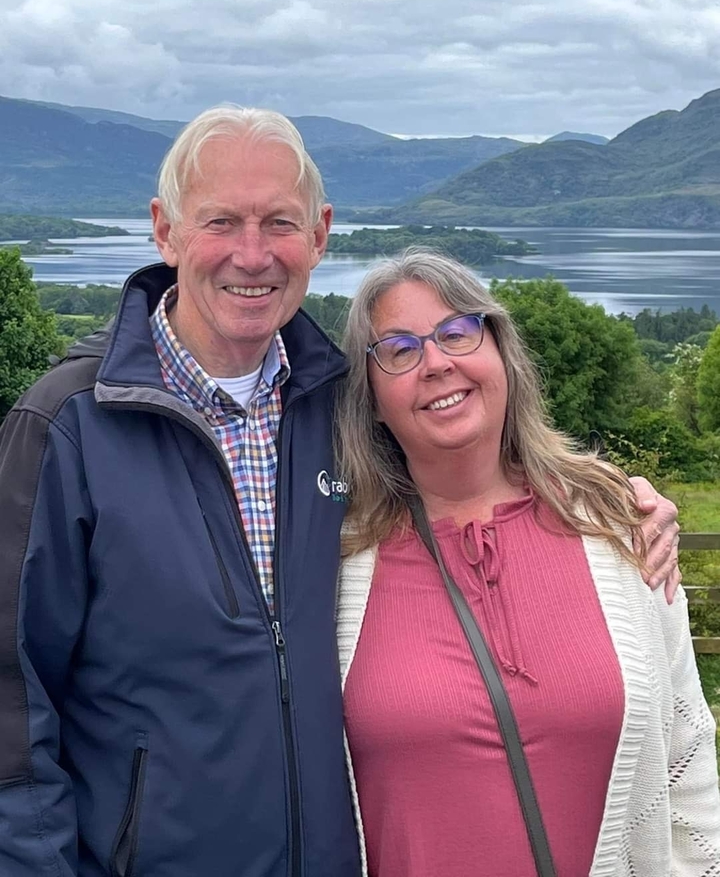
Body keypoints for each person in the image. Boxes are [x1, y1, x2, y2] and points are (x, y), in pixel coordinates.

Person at [0, 107, 680, 877]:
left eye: (279, 223)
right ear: (166, 231)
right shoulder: (70, 425)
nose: (251, 254)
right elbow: (13, 709)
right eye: (221, 220)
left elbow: (470, 456)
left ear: (320, 235)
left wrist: (609, 498)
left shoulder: (340, 407)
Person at [335, 249, 720, 877]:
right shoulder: (330, 563)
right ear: (372, 398)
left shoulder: (621, 529)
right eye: (400, 350)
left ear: (501, 355)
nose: (437, 362)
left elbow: (688, 759)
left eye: (458, 332)